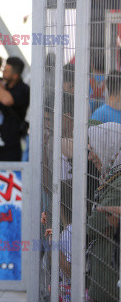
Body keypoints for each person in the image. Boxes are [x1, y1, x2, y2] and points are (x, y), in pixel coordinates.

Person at [86, 122, 121, 302]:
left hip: (109, 283)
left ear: (110, 147)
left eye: (93, 150)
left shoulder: (118, 181)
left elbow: (94, 225)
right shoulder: (109, 178)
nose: (91, 156)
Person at [0, 57, 30, 161]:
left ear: (15, 75)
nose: (3, 71)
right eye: (4, 68)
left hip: (10, 147)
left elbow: (6, 100)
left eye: (7, 70)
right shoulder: (1, 84)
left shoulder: (23, 89)